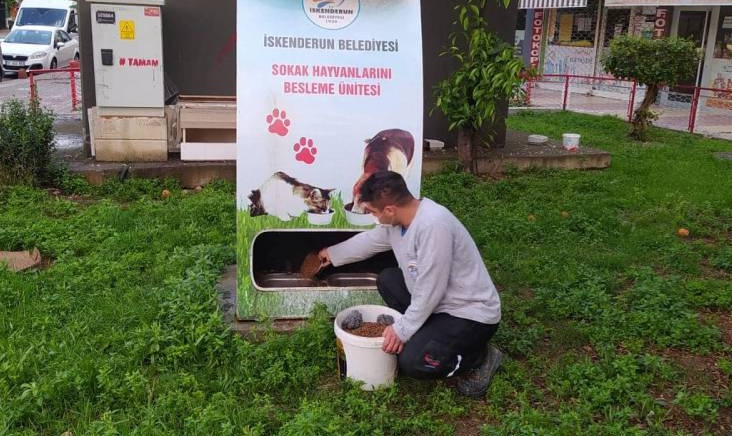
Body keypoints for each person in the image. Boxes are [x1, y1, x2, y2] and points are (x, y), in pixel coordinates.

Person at [319, 170, 503, 398]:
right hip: (437, 304)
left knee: (412, 363)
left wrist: (402, 330)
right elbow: (369, 241)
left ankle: (480, 357)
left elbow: (430, 291)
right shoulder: (398, 221)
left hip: (469, 313)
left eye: (373, 212)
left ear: (389, 210)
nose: (373, 217)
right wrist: (331, 254)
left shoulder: (434, 226)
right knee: (388, 279)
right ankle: (429, 335)